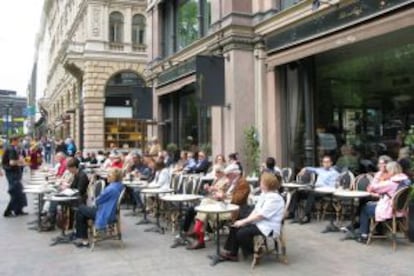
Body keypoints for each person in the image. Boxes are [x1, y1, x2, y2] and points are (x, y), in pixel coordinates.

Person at [220, 172, 285, 261]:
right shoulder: (265, 194)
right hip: (261, 223)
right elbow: (256, 210)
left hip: (268, 227)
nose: (260, 183)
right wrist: (244, 220)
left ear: (266, 185)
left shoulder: (275, 199)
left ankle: (255, 252)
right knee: (236, 225)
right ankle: (232, 253)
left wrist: (244, 222)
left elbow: (261, 215)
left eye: (261, 182)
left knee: (241, 233)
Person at [356, 161, 410, 243]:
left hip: (389, 211)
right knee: (373, 206)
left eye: (386, 171)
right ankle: (379, 230)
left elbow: (371, 187)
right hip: (400, 210)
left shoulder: (390, 183)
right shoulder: (405, 180)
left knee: (365, 208)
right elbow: (389, 194)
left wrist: (378, 175)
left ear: (391, 171)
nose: (385, 172)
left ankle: (363, 235)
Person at [74, 168, 124, 247]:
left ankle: (82, 238)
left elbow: (97, 201)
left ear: (115, 178)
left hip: (104, 213)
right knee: (81, 213)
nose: (107, 176)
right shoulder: (119, 186)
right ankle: (83, 239)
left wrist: (92, 192)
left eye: (109, 175)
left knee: (79, 207)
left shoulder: (111, 189)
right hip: (110, 211)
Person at [287, 155, 340, 224]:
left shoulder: (334, 173)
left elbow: (332, 186)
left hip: (324, 191)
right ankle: (291, 213)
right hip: (315, 189)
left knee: (311, 194)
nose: (326, 164)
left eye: (327, 162)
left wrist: (321, 186)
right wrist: (304, 168)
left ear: (331, 163)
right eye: (324, 162)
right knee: (297, 192)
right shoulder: (320, 170)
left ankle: (306, 216)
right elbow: (311, 169)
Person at [2, 137, 28, 217]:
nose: (19, 142)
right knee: (15, 192)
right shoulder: (11, 149)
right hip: (12, 174)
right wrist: (21, 162)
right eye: (18, 141)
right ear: (14, 141)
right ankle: (8, 211)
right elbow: (12, 162)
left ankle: (18, 210)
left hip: (13, 173)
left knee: (19, 192)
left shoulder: (11, 148)